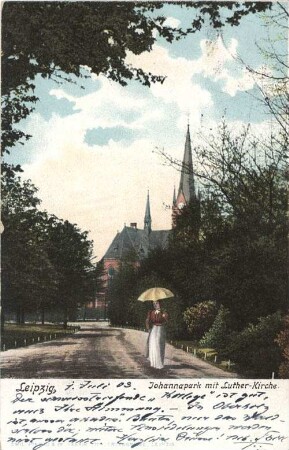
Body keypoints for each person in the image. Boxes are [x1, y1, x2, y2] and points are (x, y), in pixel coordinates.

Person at [145, 300, 168, 369]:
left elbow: (167, 321)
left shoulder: (164, 312)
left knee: (159, 345)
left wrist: (164, 317)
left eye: (157, 303)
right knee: (153, 345)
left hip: (160, 329)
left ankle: (160, 363)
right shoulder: (151, 312)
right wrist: (148, 327)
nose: (155, 305)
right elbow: (148, 321)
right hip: (154, 329)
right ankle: (154, 363)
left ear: (160, 304)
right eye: (154, 304)